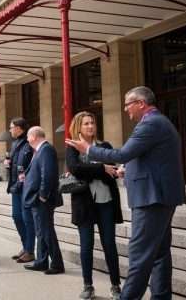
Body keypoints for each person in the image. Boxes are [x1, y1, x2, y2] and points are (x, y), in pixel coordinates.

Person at [66, 86, 186, 299]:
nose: (125, 109)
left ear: (141, 103)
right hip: (159, 196)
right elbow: (150, 160)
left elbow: (122, 154)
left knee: (139, 255)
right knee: (159, 253)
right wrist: (127, 170)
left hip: (152, 198)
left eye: (127, 104)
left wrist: (89, 150)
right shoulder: (157, 122)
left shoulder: (149, 124)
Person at [66, 112, 123, 299]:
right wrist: (100, 168)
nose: (90, 126)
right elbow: (75, 169)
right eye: (86, 124)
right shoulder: (73, 147)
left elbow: (112, 170)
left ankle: (116, 285)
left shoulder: (104, 146)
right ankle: (88, 285)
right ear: (78, 127)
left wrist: (98, 170)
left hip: (106, 201)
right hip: (84, 203)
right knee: (86, 245)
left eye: (92, 122)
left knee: (109, 245)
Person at [23, 126, 64, 275]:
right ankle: (41, 261)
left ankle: (57, 264)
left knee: (47, 231)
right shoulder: (40, 150)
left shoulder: (46, 149)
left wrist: (43, 195)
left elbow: (48, 174)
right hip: (37, 199)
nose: (27, 140)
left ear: (33, 136)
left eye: (28, 137)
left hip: (42, 199)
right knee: (41, 231)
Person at [4, 117, 35, 263]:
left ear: (19, 128)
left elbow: (30, 166)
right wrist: (8, 163)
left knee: (26, 218)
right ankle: (25, 246)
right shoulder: (15, 143)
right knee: (17, 216)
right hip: (16, 186)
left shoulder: (29, 143)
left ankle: (30, 250)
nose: (10, 130)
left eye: (12, 127)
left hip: (25, 187)